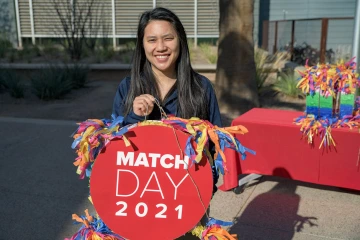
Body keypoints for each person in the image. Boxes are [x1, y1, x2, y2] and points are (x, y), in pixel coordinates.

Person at [112, 6, 221, 198]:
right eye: (152, 40)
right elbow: (112, 148)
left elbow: (215, 147)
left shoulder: (201, 88)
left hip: (187, 197)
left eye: (168, 38)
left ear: (180, 40)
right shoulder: (128, 87)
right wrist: (133, 118)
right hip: (138, 196)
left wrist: (207, 187)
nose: (161, 47)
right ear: (143, 45)